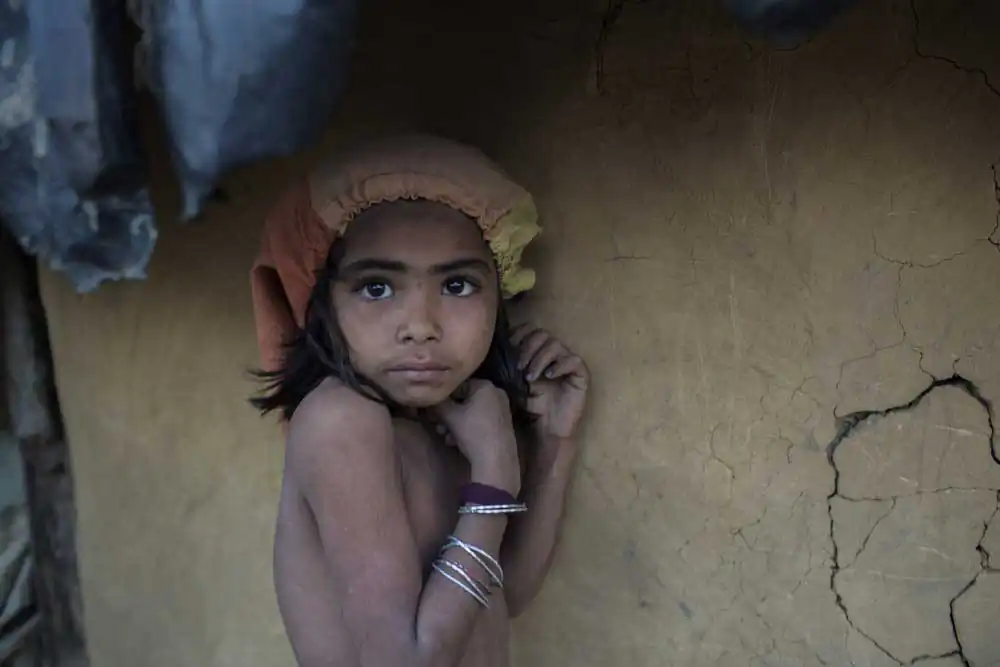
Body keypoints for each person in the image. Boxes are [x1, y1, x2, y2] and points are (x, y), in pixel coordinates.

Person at [248, 135, 590, 667]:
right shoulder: (342, 419)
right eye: (378, 288)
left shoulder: (447, 423)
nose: (421, 327)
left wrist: (554, 443)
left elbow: (501, 597)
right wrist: (496, 473)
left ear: (499, 297)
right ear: (324, 306)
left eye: (456, 285)